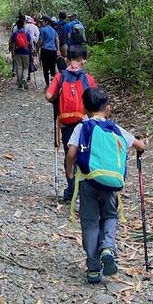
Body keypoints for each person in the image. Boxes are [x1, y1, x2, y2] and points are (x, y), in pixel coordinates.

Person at [66, 86, 147, 284]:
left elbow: (71, 153)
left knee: (90, 222)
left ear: (84, 109)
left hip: (87, 181)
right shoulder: (115, 128)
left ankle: (93, 268)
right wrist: (143, 143)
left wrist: (69, 171)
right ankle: (108, 247)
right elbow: (140, 146)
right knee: (110, 215)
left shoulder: (81, 127)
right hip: (110, 184)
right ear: (108, 108)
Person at [45, 45, 96, 201]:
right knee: (86, 154)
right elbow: (95, 98)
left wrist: (55, 99)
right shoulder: (88, 78)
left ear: (67, 59)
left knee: (70, 156)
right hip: (85, 123)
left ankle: (72, 189)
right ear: (84, 61)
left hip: (67, 124)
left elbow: (48, 95)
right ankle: (87, 190)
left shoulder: (60, 77)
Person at [9, 15, 32, 90]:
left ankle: (19, 83)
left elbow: (11, 44)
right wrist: (31, 50)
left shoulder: (15, 34)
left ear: (17, 26)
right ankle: (24, 78)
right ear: (23, 25)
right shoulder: (26, 34)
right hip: (26, 52)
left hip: (17, 52)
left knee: (18, 67)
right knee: (25, 67)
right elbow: (30, 43)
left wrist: (12, 52)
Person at [37, 15, 60, 86]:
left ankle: (47, 84)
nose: (41, 23)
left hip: (45, 50)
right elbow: (57, 39)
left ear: (46, 22)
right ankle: (53, 84)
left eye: (42, 21)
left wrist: (37, 48)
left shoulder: (42, 30)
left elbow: (40, 40)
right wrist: (58, 49)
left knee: (45, 68)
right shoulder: (53, 30)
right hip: (53, 51)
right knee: (53, 67)